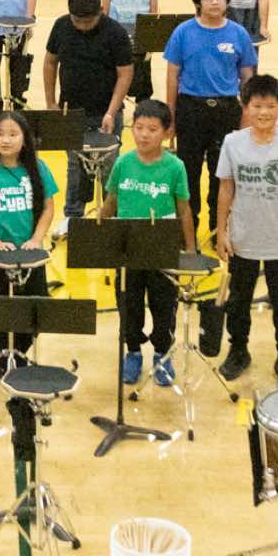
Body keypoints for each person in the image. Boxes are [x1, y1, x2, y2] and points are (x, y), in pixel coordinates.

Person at [214, 75, 278, 386]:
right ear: (245, 107)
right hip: (243, 238)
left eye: (270, 106)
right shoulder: (232, 142)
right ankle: (238, 351)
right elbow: (225, 189)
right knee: (238, 301)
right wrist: (222, 232)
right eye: (257, 106)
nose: (263, 112)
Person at [100, 100, 194, 387]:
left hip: (162, 249)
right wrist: (99, 230)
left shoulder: (175, 167)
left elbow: (184, 210)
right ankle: (133, 352)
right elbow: (111, 201)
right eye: (139, 127)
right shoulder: (123, 163)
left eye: (152, 129)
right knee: (129, 306)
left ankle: (163, 355)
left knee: (163, 306)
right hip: (127, 249)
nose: (143, 134)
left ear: (166, 133)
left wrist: (190, 250)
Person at [164, 0, 259, 248]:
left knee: (223, 175)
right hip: (190, 109)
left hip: (226, 110)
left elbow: (248, 78)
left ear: (227, 0)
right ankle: (187, 232)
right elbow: (172, 76)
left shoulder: (238, 34)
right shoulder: (183, 32)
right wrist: (171, 117)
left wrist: (247, 117)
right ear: (198, 2)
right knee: (188, 174)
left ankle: (220, 231)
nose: (215, 2)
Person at [0, 110, 57, 366]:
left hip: (30, 256)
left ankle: (19, 352)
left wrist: (36, 239)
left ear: (25, 139)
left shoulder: (39, 169)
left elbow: (48, 208)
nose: (5, 140)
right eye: (0, 134)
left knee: (34, 312)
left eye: (13, 134)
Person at [42, 0, 134, 222]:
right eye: (77, 21)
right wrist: (50, 102)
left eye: (88, 22)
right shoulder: (61, 26)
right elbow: (50, 62)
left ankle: (110, 217)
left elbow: (125, 74)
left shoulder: (115, 33)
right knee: (75, 165)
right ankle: (73, 217)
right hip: (71, 112)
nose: (82, 26)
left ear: (100, 11)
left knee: (110, 167)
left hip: (106, 112)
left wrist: (111, 112)